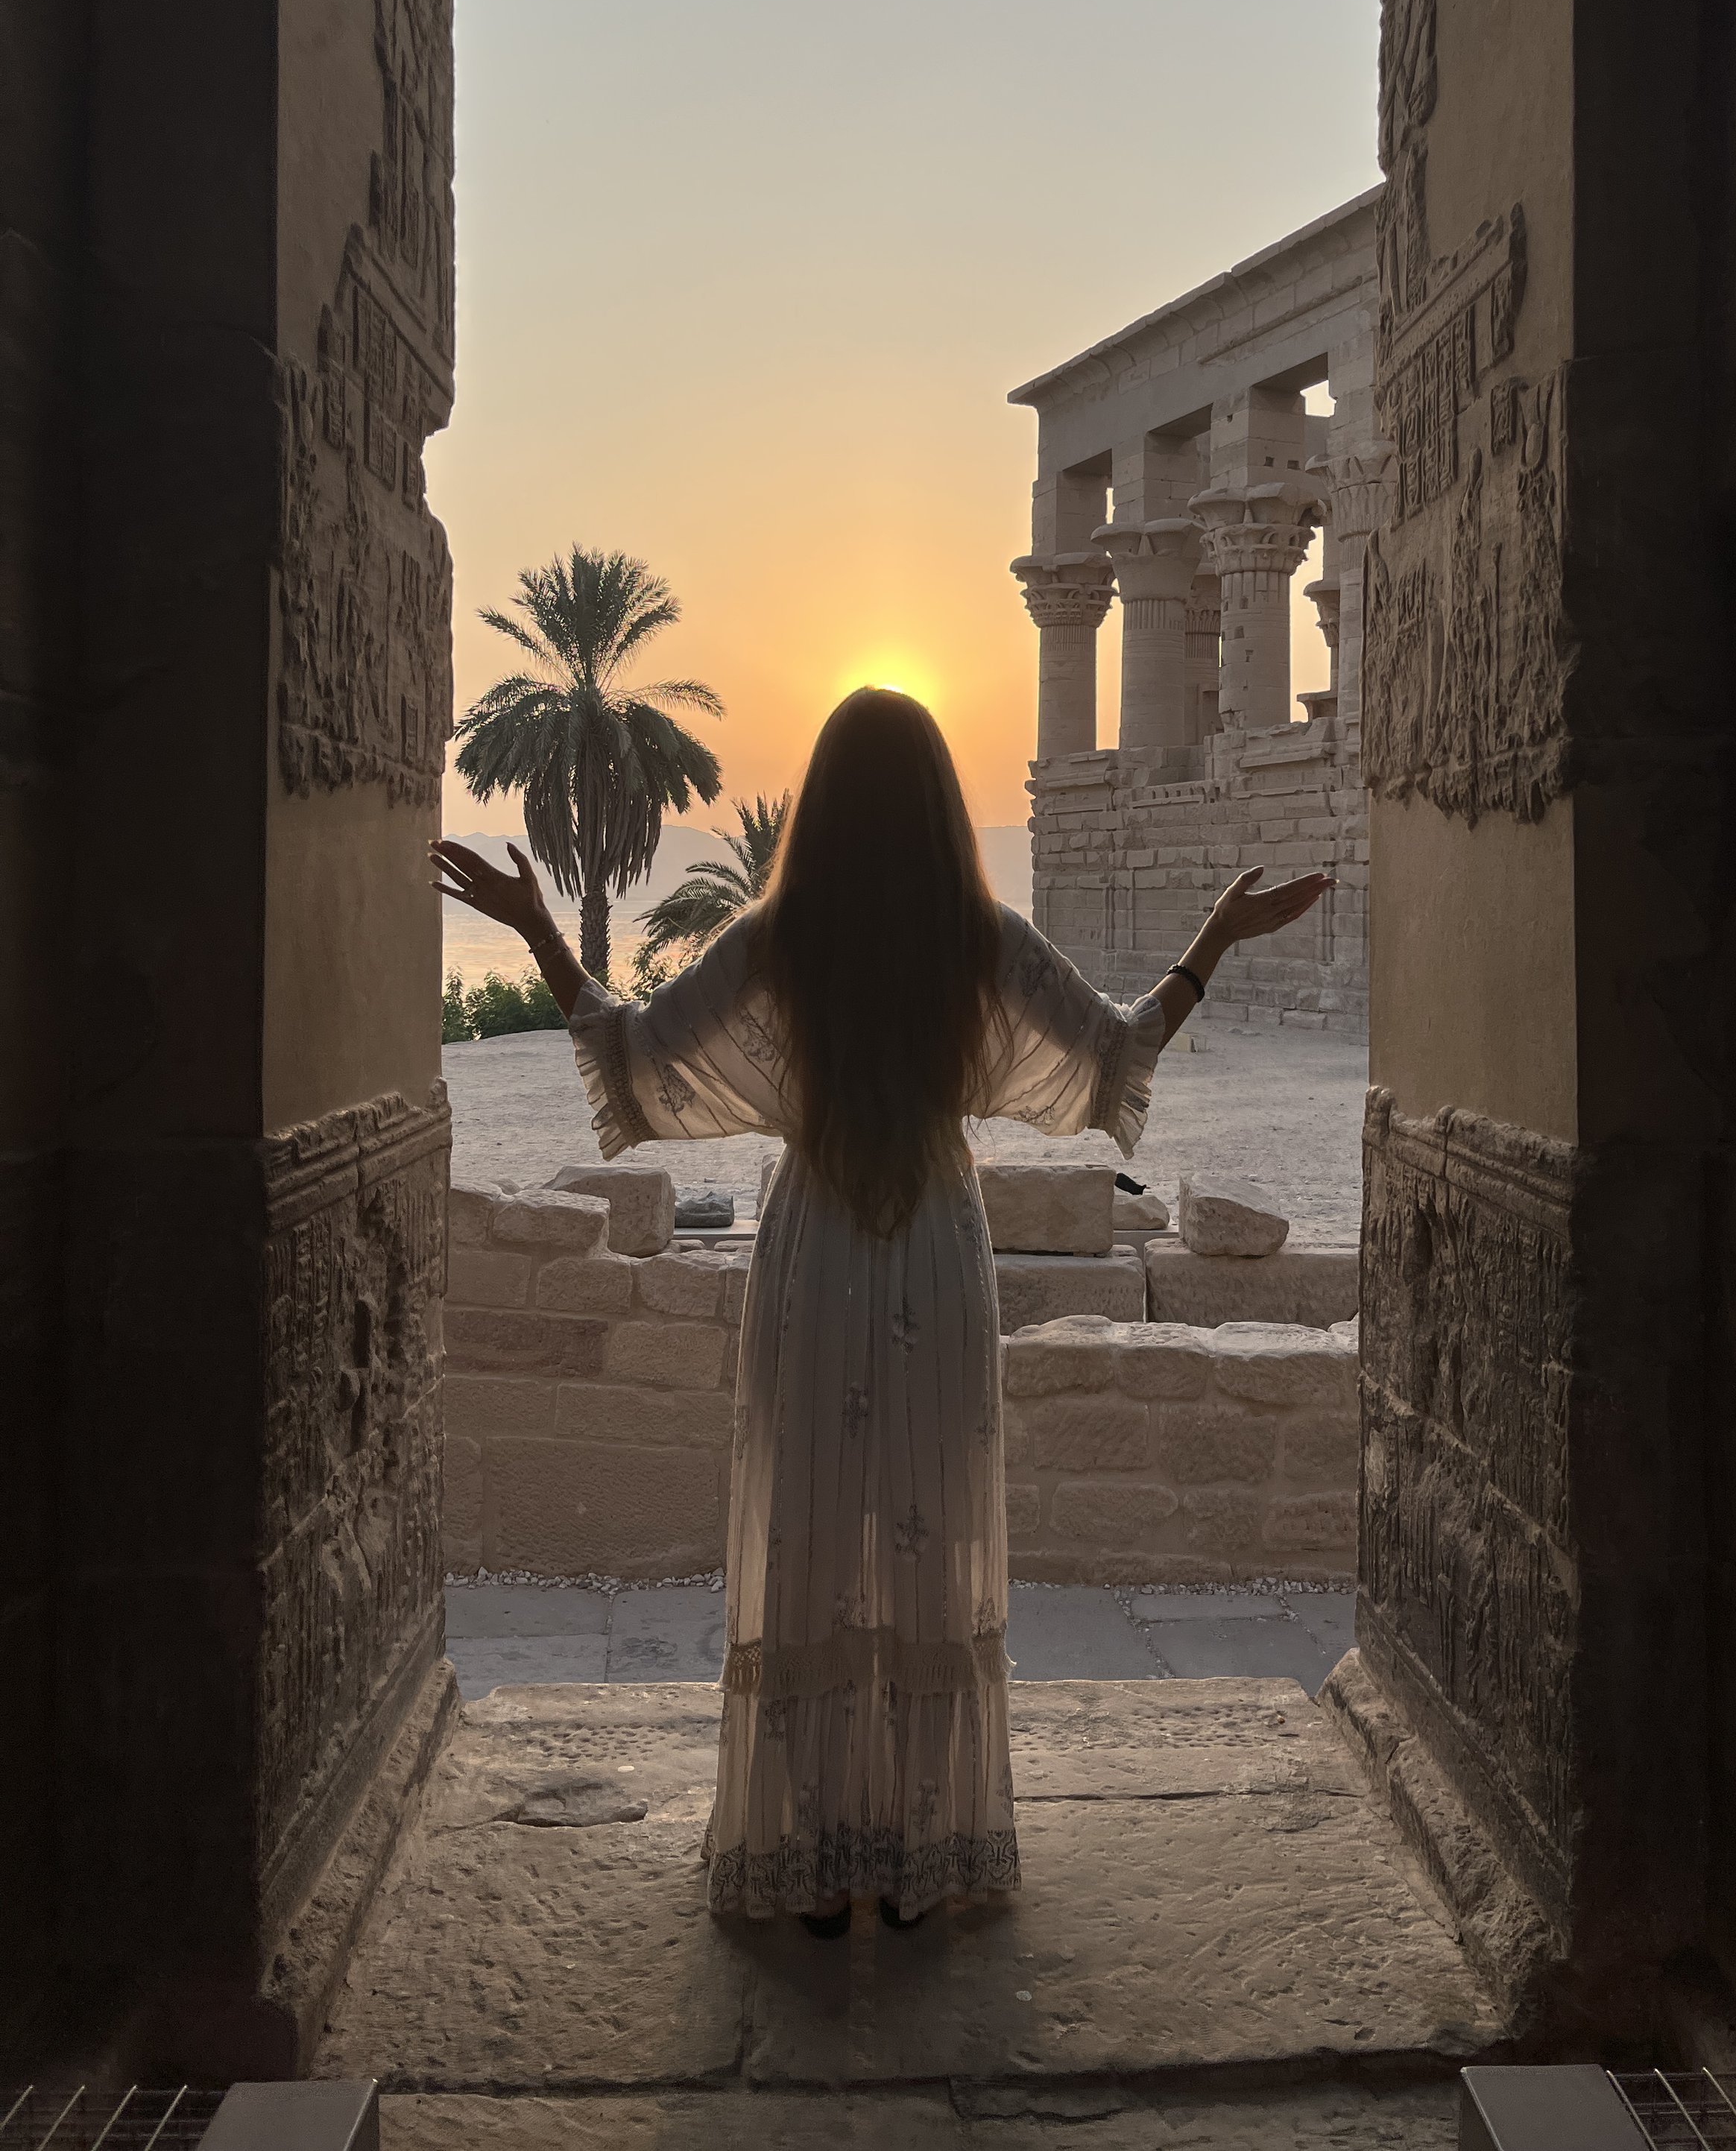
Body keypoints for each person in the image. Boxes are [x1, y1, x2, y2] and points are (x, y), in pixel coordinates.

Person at [431, 688, 1331, 1935]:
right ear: (936, 806)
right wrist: (1214, 941)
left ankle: (807, 1857)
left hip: (815, 1259)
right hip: (933, 1260)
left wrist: (539, 925)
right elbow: (1117, 1052)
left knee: (808, 1533)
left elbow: (638, 1057)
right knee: (927, 1535)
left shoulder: (776, 939)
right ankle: (913, 1849)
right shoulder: (980, 939)